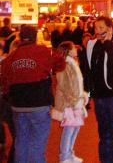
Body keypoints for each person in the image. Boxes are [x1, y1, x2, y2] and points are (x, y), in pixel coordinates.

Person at [0, 25, 66, 163]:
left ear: (20, 37)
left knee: (21, 142)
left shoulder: (12, 57)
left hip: (18, 106)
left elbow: (4, 80)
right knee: (37, 144)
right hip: (39, 104)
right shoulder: (43, 51)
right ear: (35, 37)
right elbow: (60, 64)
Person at [85, 16, 113, 163]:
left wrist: (108, 43)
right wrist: (88, 92)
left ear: (110, 29)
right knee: (104, 136)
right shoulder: (93, 45)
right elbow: (89, 70)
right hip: (100, 98)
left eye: (101, 28)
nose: (97, 32)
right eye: (96, 28)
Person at [52, 41, 88, 163]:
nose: (76, 48)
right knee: (69, 129)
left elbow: (76, 83)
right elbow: (64, 85)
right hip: (69, 103)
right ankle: (64, 156)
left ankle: (69, 154)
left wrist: (82, 95)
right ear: (68, 50)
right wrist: (74, 99)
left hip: (75, 102)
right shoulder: (65, 64)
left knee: (75, 128)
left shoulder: (73, 63)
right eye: (73, 47)